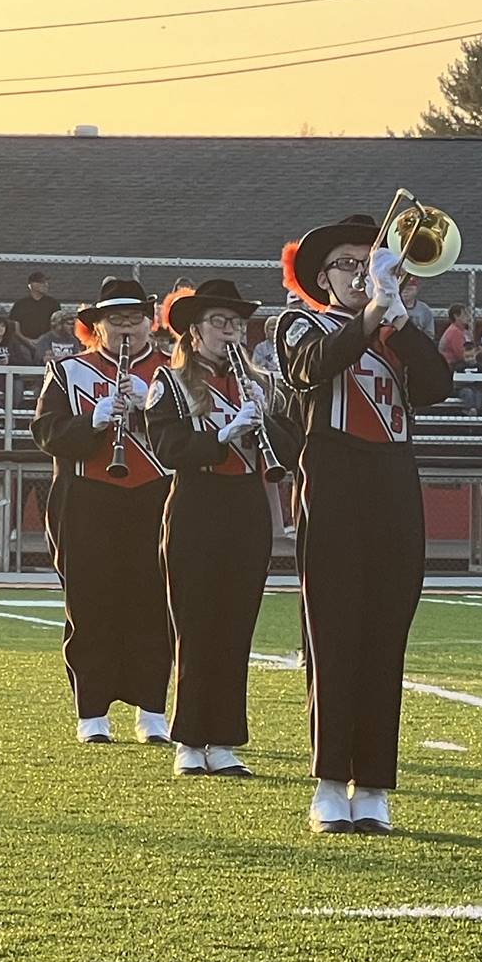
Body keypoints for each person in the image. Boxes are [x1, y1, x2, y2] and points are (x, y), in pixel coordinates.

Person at [278, 212, 454, 836]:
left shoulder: (401, 328)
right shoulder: (301, 321)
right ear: (323, 277)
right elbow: (312, 367)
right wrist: (375, 311)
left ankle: (374, 782)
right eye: (349, 265)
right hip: (332, 476)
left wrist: (397, 318)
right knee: (332, 634)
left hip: (394, 480)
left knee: (386, 635)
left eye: (371, 263)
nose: (362, 274)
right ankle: (329, 780)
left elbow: (436, 385)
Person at [144, 281, 301, 779]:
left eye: (236, 322)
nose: (231, 330)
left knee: (235, 627)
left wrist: (264, 419)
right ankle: (189, 739)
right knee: (195, 625)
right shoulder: (168, 384)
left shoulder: (261, 383)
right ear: (194, 330)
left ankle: (226, 738)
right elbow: (167, 449)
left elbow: (293, 447)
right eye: (220, 321)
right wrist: (221, 436)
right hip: (196, 504)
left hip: (245, 508)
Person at [30, 277, 173, 746]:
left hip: (156, 495)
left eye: (135, 318)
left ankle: (152, 708)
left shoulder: (172, 369)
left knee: (155, 603)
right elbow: (46, 432)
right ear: (98, 327)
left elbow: (194, 433)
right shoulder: (68, 371)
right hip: (88, 497)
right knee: (89, 604)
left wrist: (148, 406)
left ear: (149, 323)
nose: (127, 328)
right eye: (116, 320)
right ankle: (91, 712)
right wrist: (92, 421)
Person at [10, 272, 57, 343]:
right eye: (42, 282)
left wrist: (43, 340)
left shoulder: (53, 303)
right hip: (23, 343)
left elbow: (56, 326)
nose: (46, 285)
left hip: (48, 343)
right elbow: (15, 329)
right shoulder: (20, 304)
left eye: (46, 282)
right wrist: (28, 341)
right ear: (32, 284)